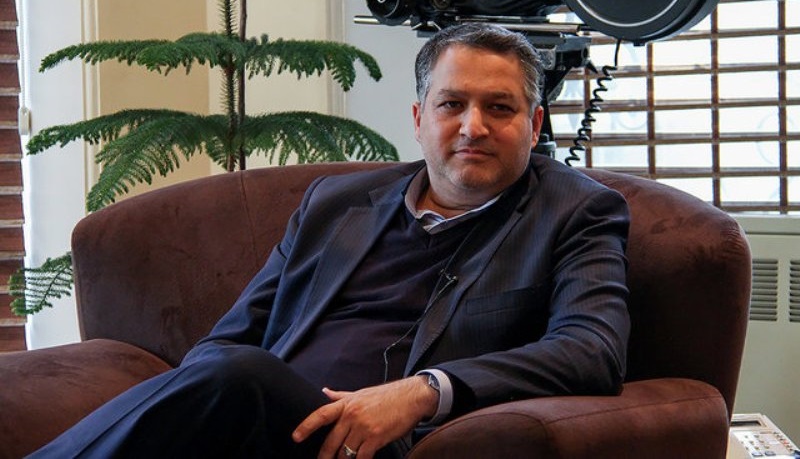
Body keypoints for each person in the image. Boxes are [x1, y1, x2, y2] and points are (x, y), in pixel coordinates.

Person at [30, 22, 630, 459]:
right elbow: (226, 341)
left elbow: (591, 350)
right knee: (234, 369)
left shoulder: (575, 211)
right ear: (419, 119)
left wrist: (423, 393)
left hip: (376, 443)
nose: (474, 126)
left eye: (499, 108)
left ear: (534, 124)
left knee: (242, 373)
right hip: (261, 423)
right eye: (452, 104)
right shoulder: (335, 204)